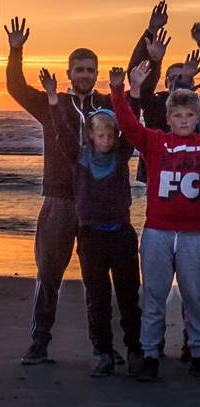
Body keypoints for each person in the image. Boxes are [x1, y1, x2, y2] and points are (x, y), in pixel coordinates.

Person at [110, 60, 200, 381]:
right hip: (158, 230)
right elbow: (129, 126)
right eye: (178, 115)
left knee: (195, 295)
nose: (184, 120)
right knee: (155, 293)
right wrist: (122, 90)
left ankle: (199, 352)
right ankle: (150, 353)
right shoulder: (156, 141)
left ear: (197, 117)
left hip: (194, 232)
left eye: (189, 115)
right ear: (168, 117)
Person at [6, 16, 116, 364]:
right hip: (59, 199)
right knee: (49, 272)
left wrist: (151, 53)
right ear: (69, 74)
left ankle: (102, 347)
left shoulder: (107, 105)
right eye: (79, 69)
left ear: (96, 74)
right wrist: (15, 51)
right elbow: (16, 89)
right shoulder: (52, 103)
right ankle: (39, 341)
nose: (85, 75)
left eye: (90, 70)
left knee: (97, 278)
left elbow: (140, 99)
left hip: (97, 204)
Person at [45, 69, 141, 378]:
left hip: (121, 235)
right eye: (101, 135)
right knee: (97, 298)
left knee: (128, 295)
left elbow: (132, 123)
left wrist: (128, 90)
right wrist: (53, 98)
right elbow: (60, 130)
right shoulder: (80, 158)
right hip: (91, 238)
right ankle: (102, 352)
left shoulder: (121, 155)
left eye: (111, 135)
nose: (107, 139)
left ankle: (135, 349)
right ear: (90, 136)